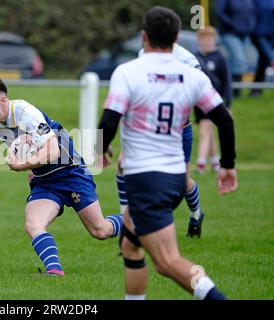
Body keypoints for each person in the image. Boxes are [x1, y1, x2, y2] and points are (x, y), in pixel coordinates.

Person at [97, 6, 237, 299]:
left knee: (167, 262)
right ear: (176, 40)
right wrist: (227, 164)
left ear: (143, 36)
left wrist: (101, 149)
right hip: (174, 178)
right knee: (130, 246)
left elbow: (110, 119)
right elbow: (224, 118)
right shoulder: (192, 75)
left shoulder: (128, 72)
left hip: (148, 180)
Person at [0, 75, 123, 276]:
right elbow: (24, 147)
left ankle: (135, 221)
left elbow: (53, 151)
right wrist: (30, 169)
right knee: (33, 224)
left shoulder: (26, 112)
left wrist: (23, 166)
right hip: (44, 181)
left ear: (3, 100)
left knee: (100, 230)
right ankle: (54, 271)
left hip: (70, 173)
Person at [112, 43, 207, 237]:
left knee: (182, 181)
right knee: (122, 165)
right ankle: (125, 219)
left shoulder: (187, 60)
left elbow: (196, 95)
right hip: (147, 127)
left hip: (177, 131)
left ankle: (196, 214)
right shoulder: (143, 55)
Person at [194, 26, 232, 174]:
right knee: (207, 131)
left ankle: (201, 163)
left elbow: (227, 81)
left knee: (205, 130)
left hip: (214, 101)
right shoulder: (195, 57)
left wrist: (227, 104)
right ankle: (215, 161)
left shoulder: (220, 58)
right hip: (199, 101)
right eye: (203, 40)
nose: (207, 42)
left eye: (209, 39)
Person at [214, 0, 256, 98]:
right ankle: (235, 92)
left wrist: (250, 26)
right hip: (229, 33)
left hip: (245, 34)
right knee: (239, 60)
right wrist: (234, 25)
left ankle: (234, 91)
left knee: (239, 63)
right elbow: (220, 13)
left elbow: (253, 13)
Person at [250, 0, 274, 97]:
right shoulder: (254, 1)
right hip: (258, 33)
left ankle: (256, 90)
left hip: (271, 35)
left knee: (263, 61)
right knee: (270, 58)